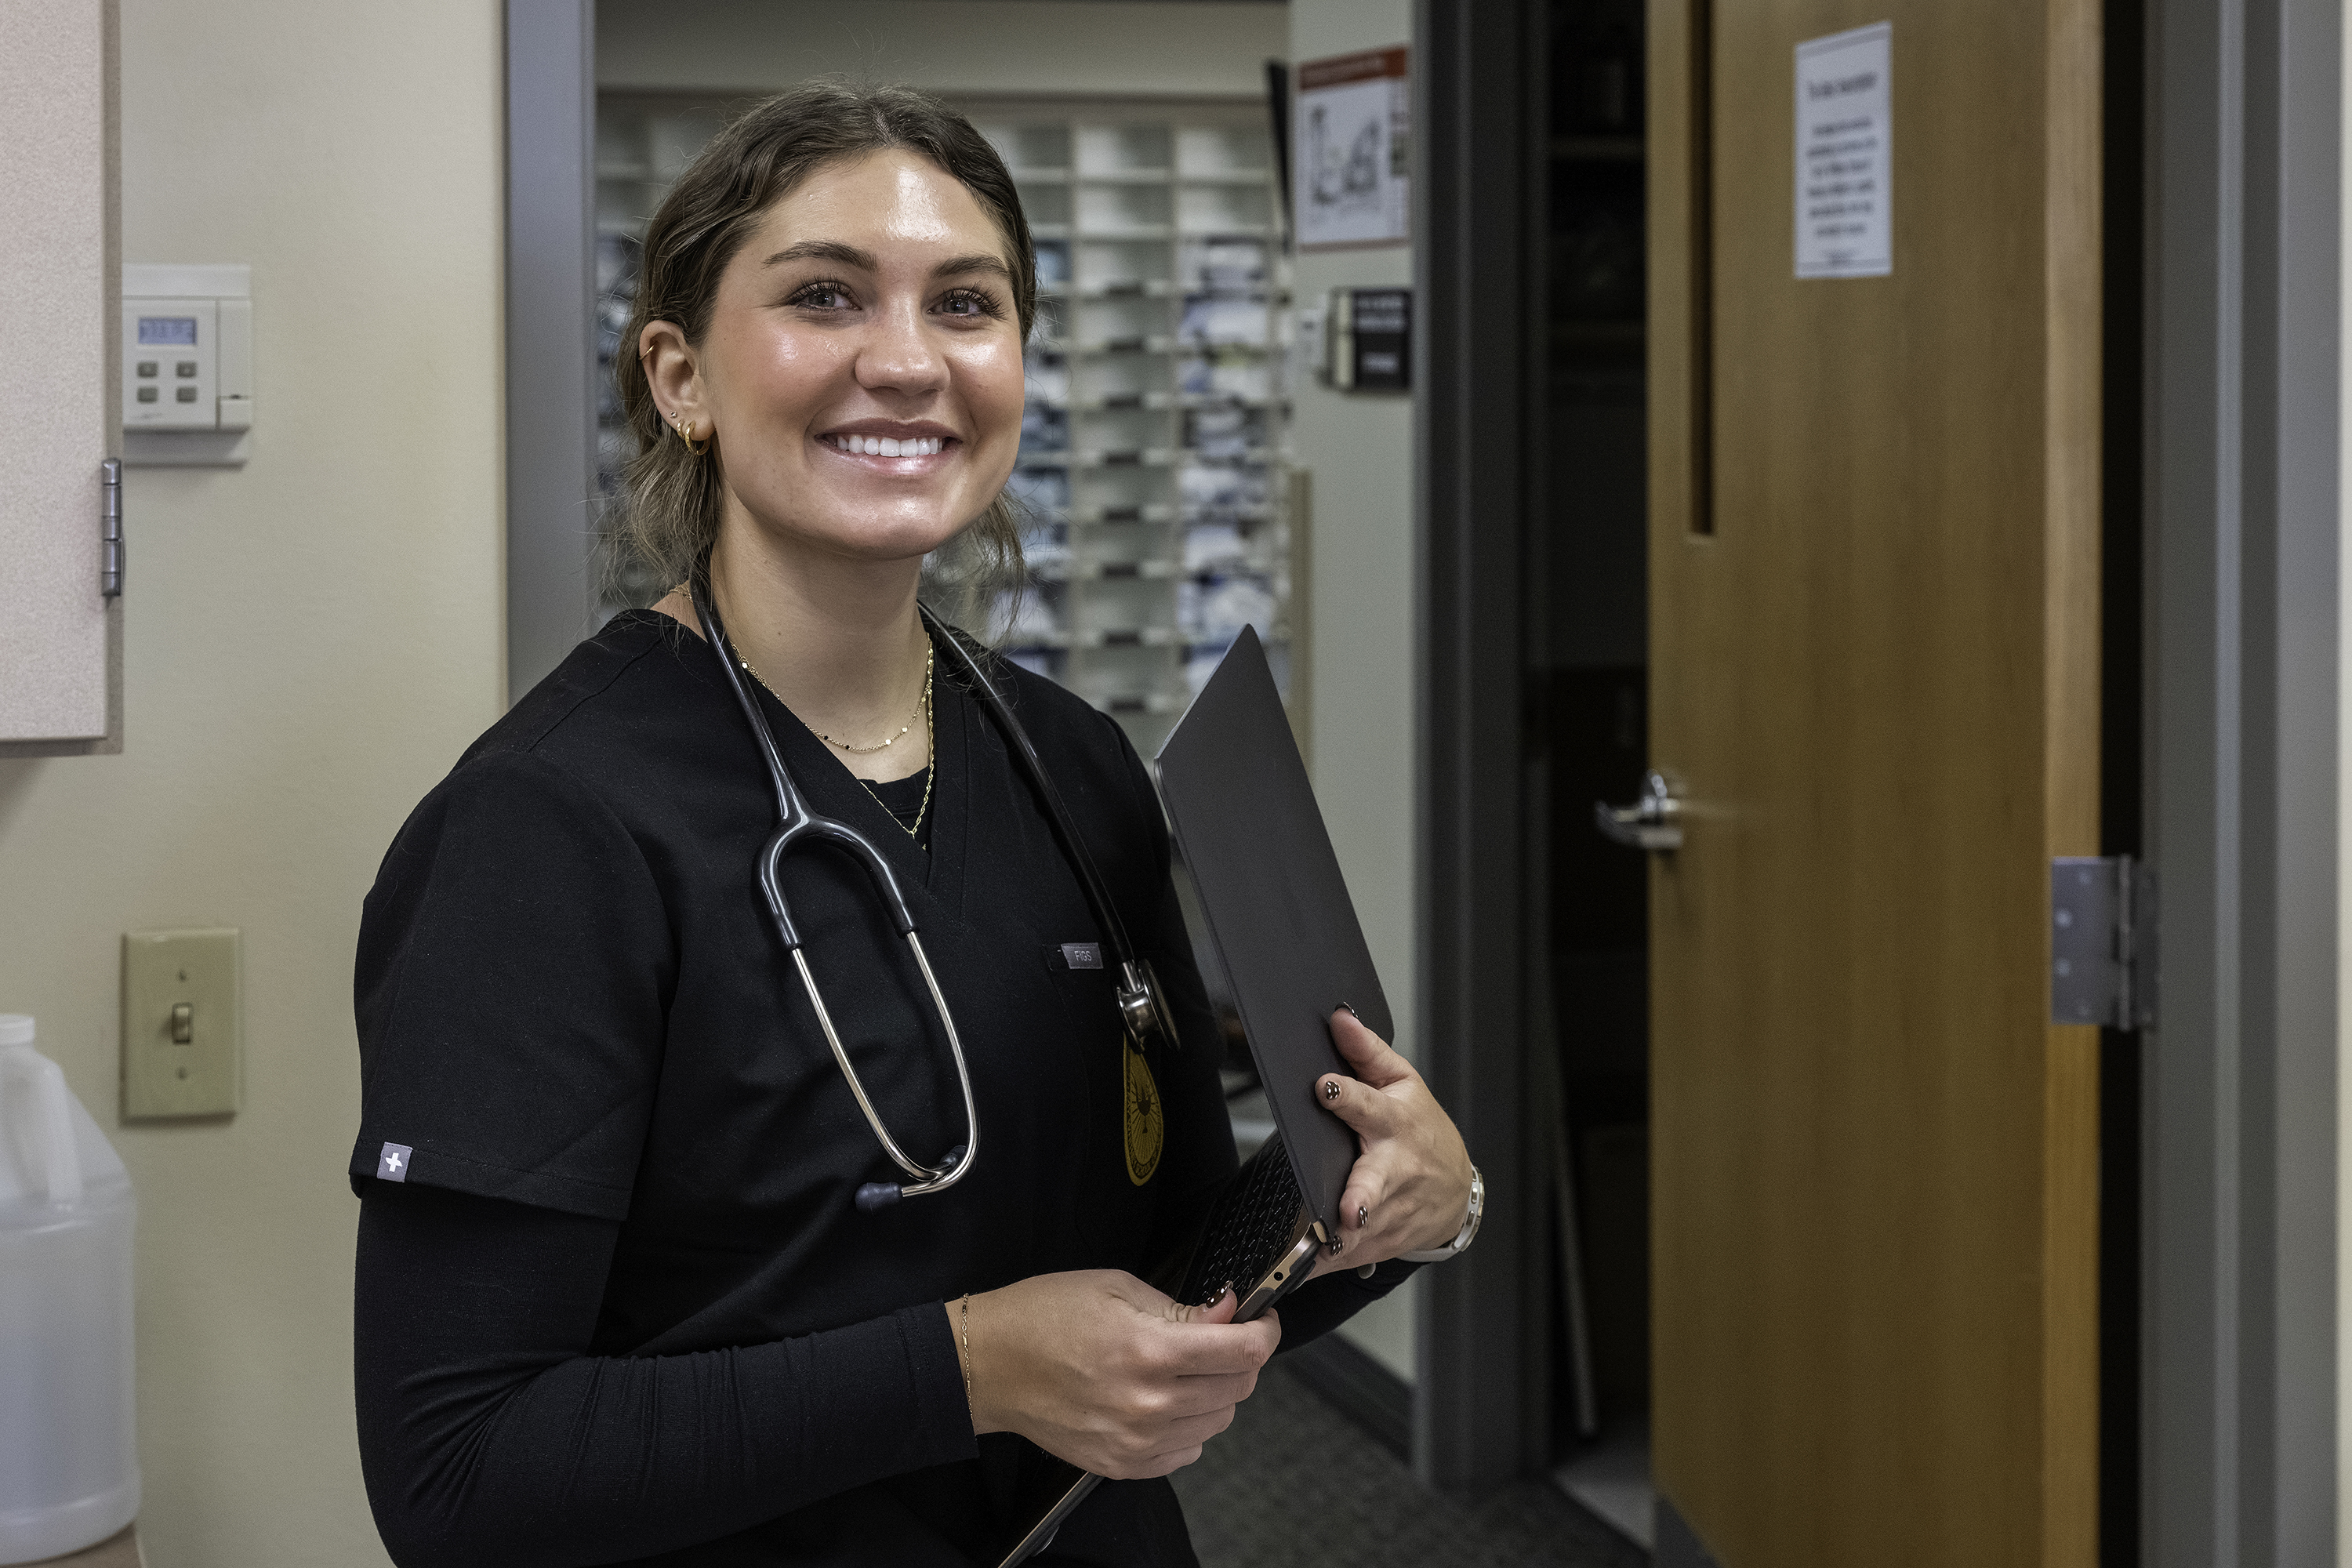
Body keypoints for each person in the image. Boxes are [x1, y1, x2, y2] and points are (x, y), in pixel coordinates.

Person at [347, 82, 1476, 1568]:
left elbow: (1177, 1272)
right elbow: (461, 1474)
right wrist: (975, 1368)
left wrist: (1388, 1207)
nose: (905, 362)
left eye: (966, 304)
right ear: (680, 374)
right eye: (823, 295)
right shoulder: (548, 831)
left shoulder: (1073, 765)